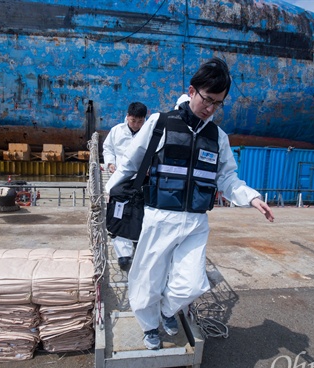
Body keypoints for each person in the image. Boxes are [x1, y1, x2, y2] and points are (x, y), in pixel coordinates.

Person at [105, 57, 274, 350]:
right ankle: (149, 327)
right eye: (208, 99)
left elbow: (227, 179)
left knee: (193, 283)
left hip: (196, 222)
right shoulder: (160, 123)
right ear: (192, 90)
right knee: (148, 278)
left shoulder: (218, 137)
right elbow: (130, 162)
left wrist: (252, 197)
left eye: (218, 103)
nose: (211, 108)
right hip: (160, 216)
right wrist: (110, 192)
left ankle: (168, 310)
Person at [102, 102, 148, 271]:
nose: (136, 124)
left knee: (139, 213)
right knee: (119, 214)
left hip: (141, 179)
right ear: (128, 116)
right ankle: (123, 254)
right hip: (120, 179)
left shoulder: (149, 133)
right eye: (133, 120)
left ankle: (137, 243)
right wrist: (110, 163)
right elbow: (108, 148)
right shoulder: (116, 131)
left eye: (140, 121)